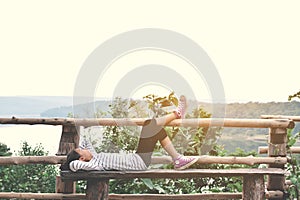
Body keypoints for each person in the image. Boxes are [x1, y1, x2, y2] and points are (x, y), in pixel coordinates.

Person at [60, 95, 198, 171]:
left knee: (153, 126)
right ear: (82, 159)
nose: (84, 148)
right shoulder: (94, 165)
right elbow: (74, 165)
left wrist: (83, 127)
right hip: (139, 163)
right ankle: (177, 115)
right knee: (150, 125)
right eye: (82, 151)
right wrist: (70, 162)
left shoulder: (94, 156)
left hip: (137, 157)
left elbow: (85, 142)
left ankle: (177, 157)